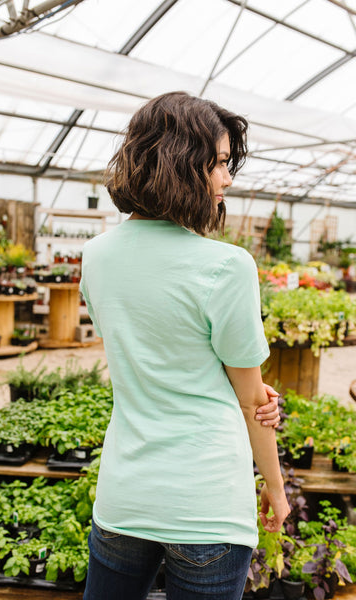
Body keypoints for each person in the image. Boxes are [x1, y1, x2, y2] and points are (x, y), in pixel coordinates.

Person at [80, 91, 290, 600]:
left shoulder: (95, 255)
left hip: (125, 494)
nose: (228, 178)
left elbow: (151, 352)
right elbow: (250, 401)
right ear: (180, 163)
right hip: (206, 503)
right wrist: (276, 490)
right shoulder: (227, 266)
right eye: (218, 163)